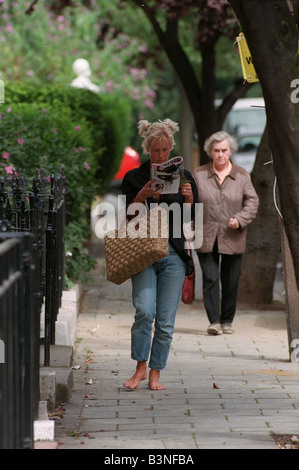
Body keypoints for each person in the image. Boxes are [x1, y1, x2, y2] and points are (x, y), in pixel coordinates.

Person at [121, 118, 198, 390]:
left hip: (174, 254)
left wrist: (188, 201)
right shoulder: (133, 178)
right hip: (143, 252)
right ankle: (140, 367)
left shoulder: (185, 177)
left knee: (165, 321)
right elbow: (128, 219)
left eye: (165, 150)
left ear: (171, 149)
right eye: (156, 150)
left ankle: (156, 371)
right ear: (147, 149)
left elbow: (191, 223)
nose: (161, 155)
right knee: (144, 311)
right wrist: (141, 195)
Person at [193, 131, 259, 336]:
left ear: (231, 152)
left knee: (230, 280)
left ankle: (227, 320)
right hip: (205, 232)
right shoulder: (199, 174)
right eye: (216, 151)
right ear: (210, 152)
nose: (220, 154)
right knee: (211, 277)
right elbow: (189, 203)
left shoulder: (241, 175)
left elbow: (252, 201)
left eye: (224, 150)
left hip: (233, 234)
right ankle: (214, 321)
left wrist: (239, 219)